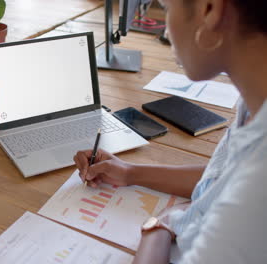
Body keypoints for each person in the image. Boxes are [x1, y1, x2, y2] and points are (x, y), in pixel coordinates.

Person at [74, 0, 267, 263]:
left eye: (166, 7)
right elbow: (223, 174)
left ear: (210, 9)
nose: (165, 30)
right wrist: (130, 172)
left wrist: (159, 226)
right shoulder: (254, 102)